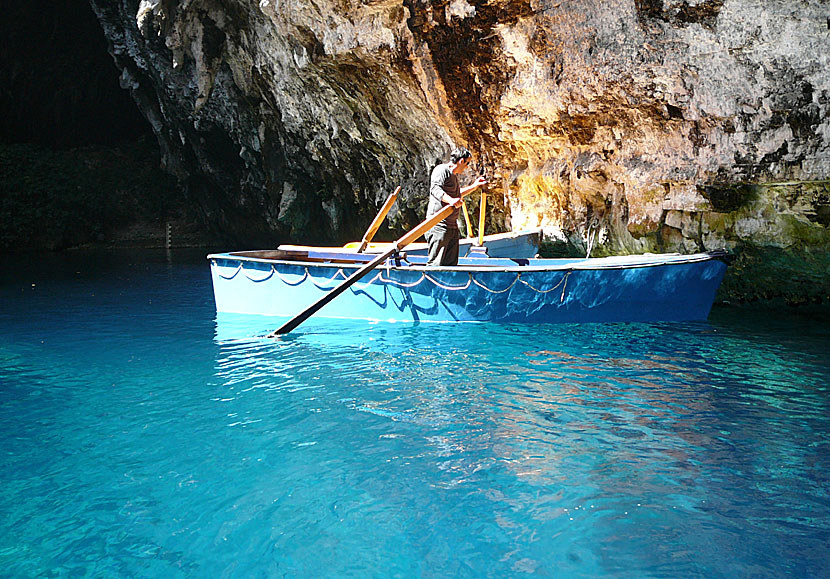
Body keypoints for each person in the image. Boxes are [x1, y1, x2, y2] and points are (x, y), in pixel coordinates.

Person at [424, 147, 488, 266]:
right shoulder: (441, 170)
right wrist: (451, 200)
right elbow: (435, 189)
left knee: (451, 264)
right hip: (439, 225)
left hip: (451, 226)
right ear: (461, 161)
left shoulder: (453, 176)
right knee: (436, 264)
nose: (467, 167)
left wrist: (474, 186)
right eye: (467, 163)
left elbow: (457, 194)